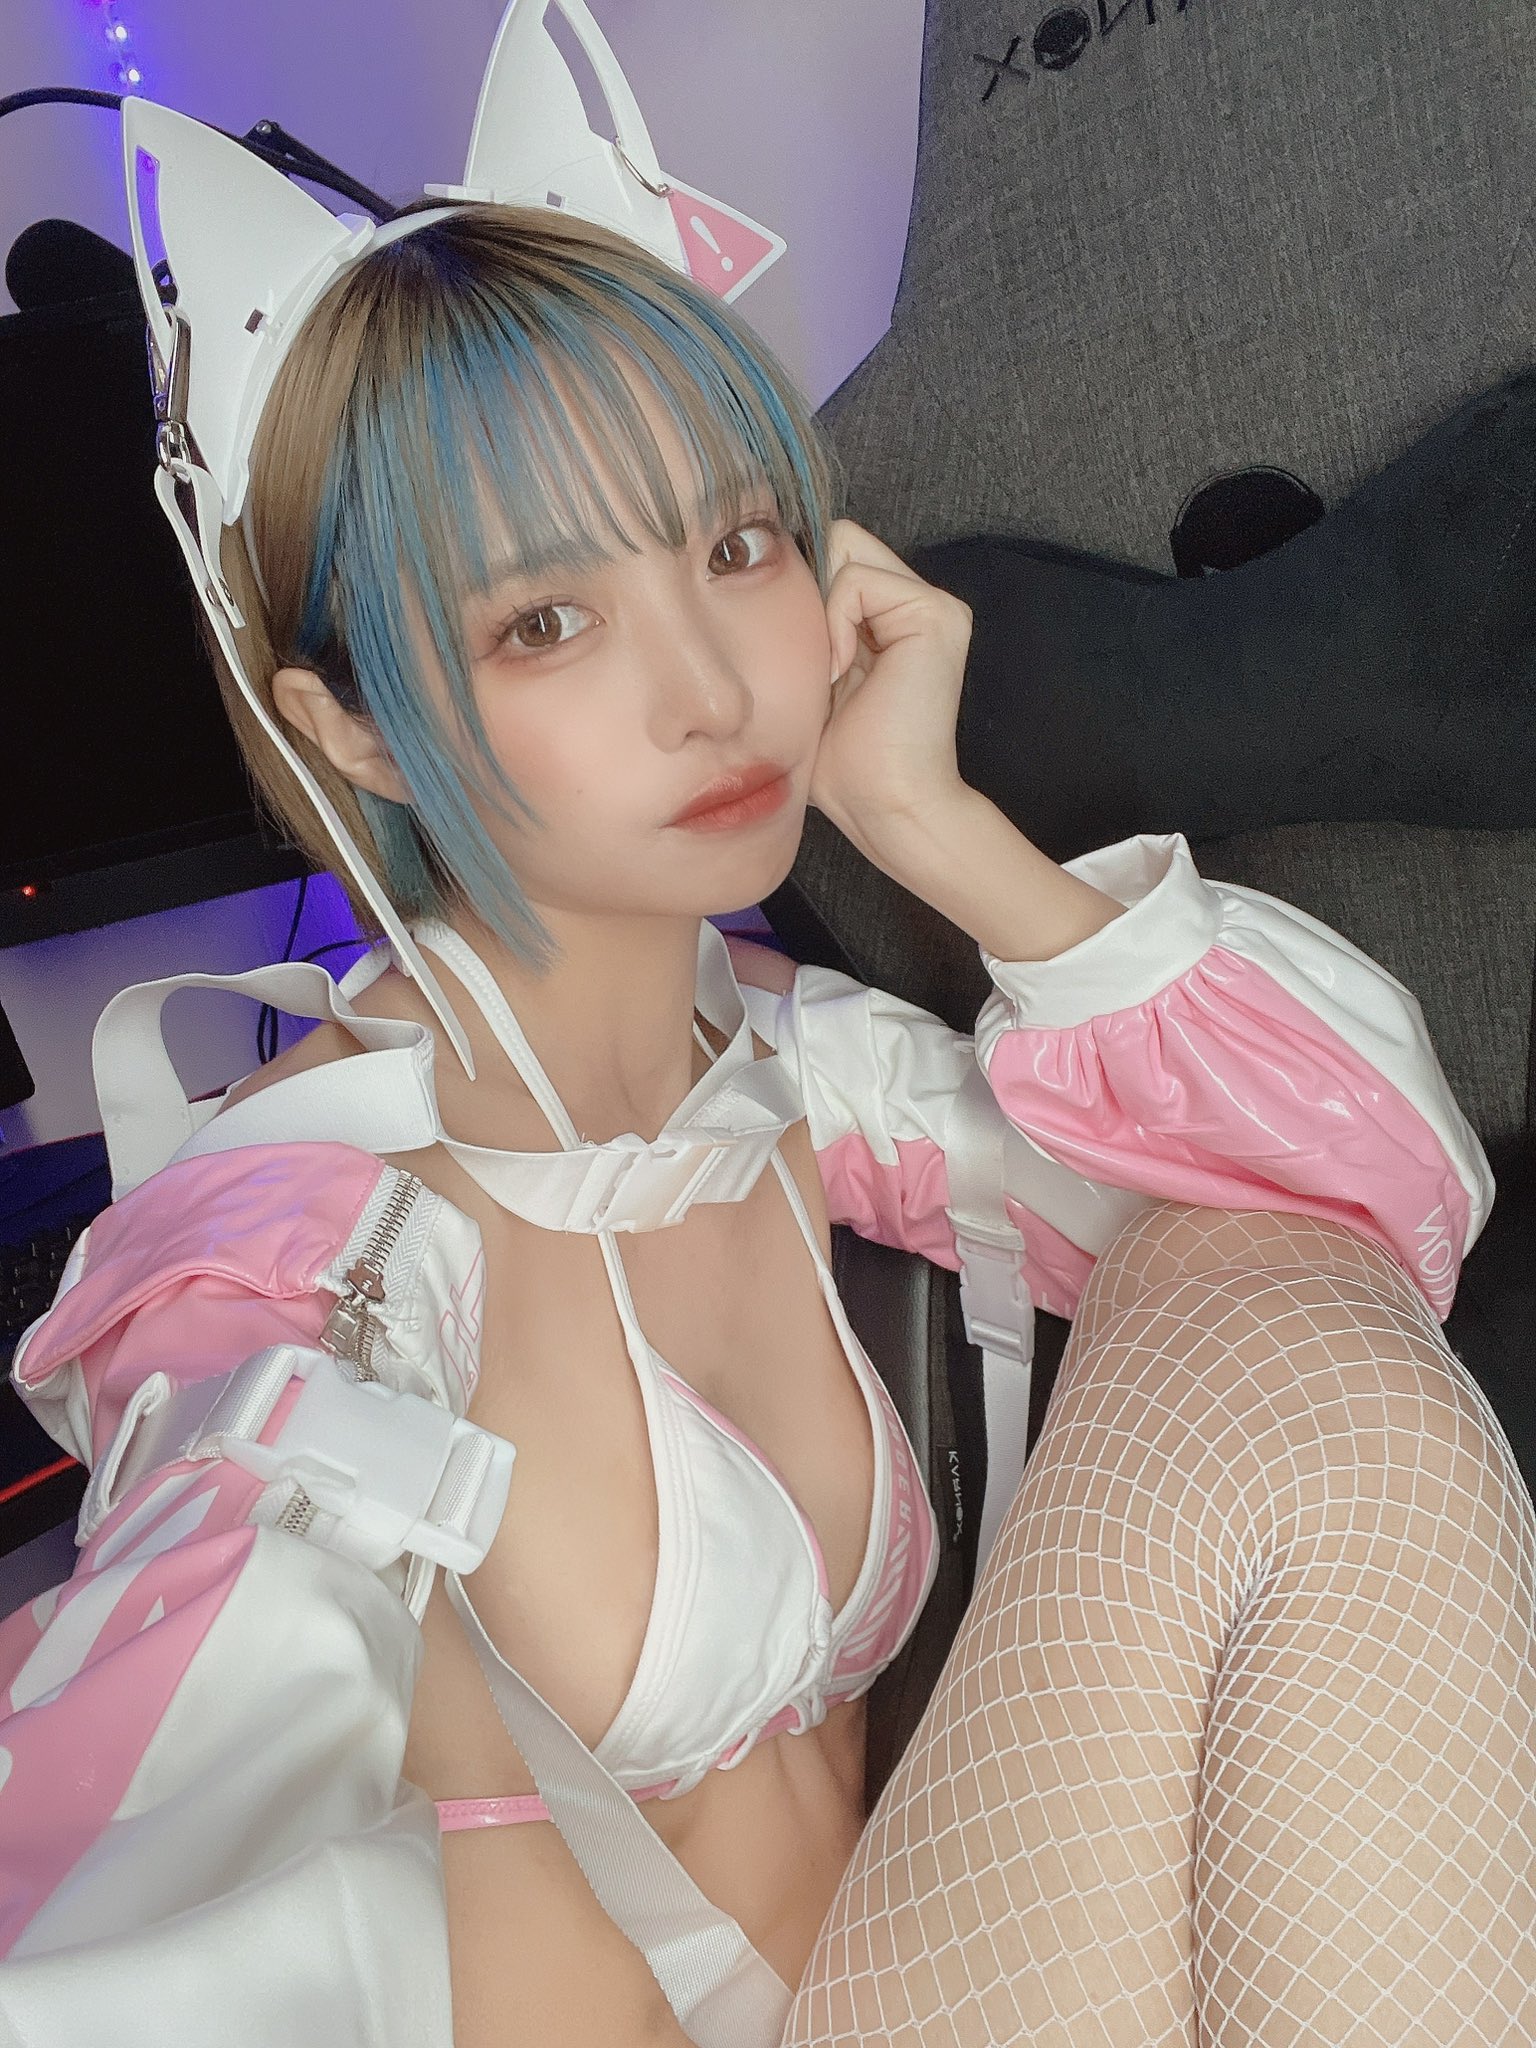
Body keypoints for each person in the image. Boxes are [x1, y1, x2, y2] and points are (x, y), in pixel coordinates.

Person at [1, 184, 1531, 2048]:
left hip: (948, 1966)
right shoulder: (283, 1267)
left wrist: (936, 829)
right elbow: (184, 1775)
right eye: (547, 619)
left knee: (1277, 1300)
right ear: (357, 729)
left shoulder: (787, 1065)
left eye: (737, 546)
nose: (715, 690)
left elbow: (1367, 1205)